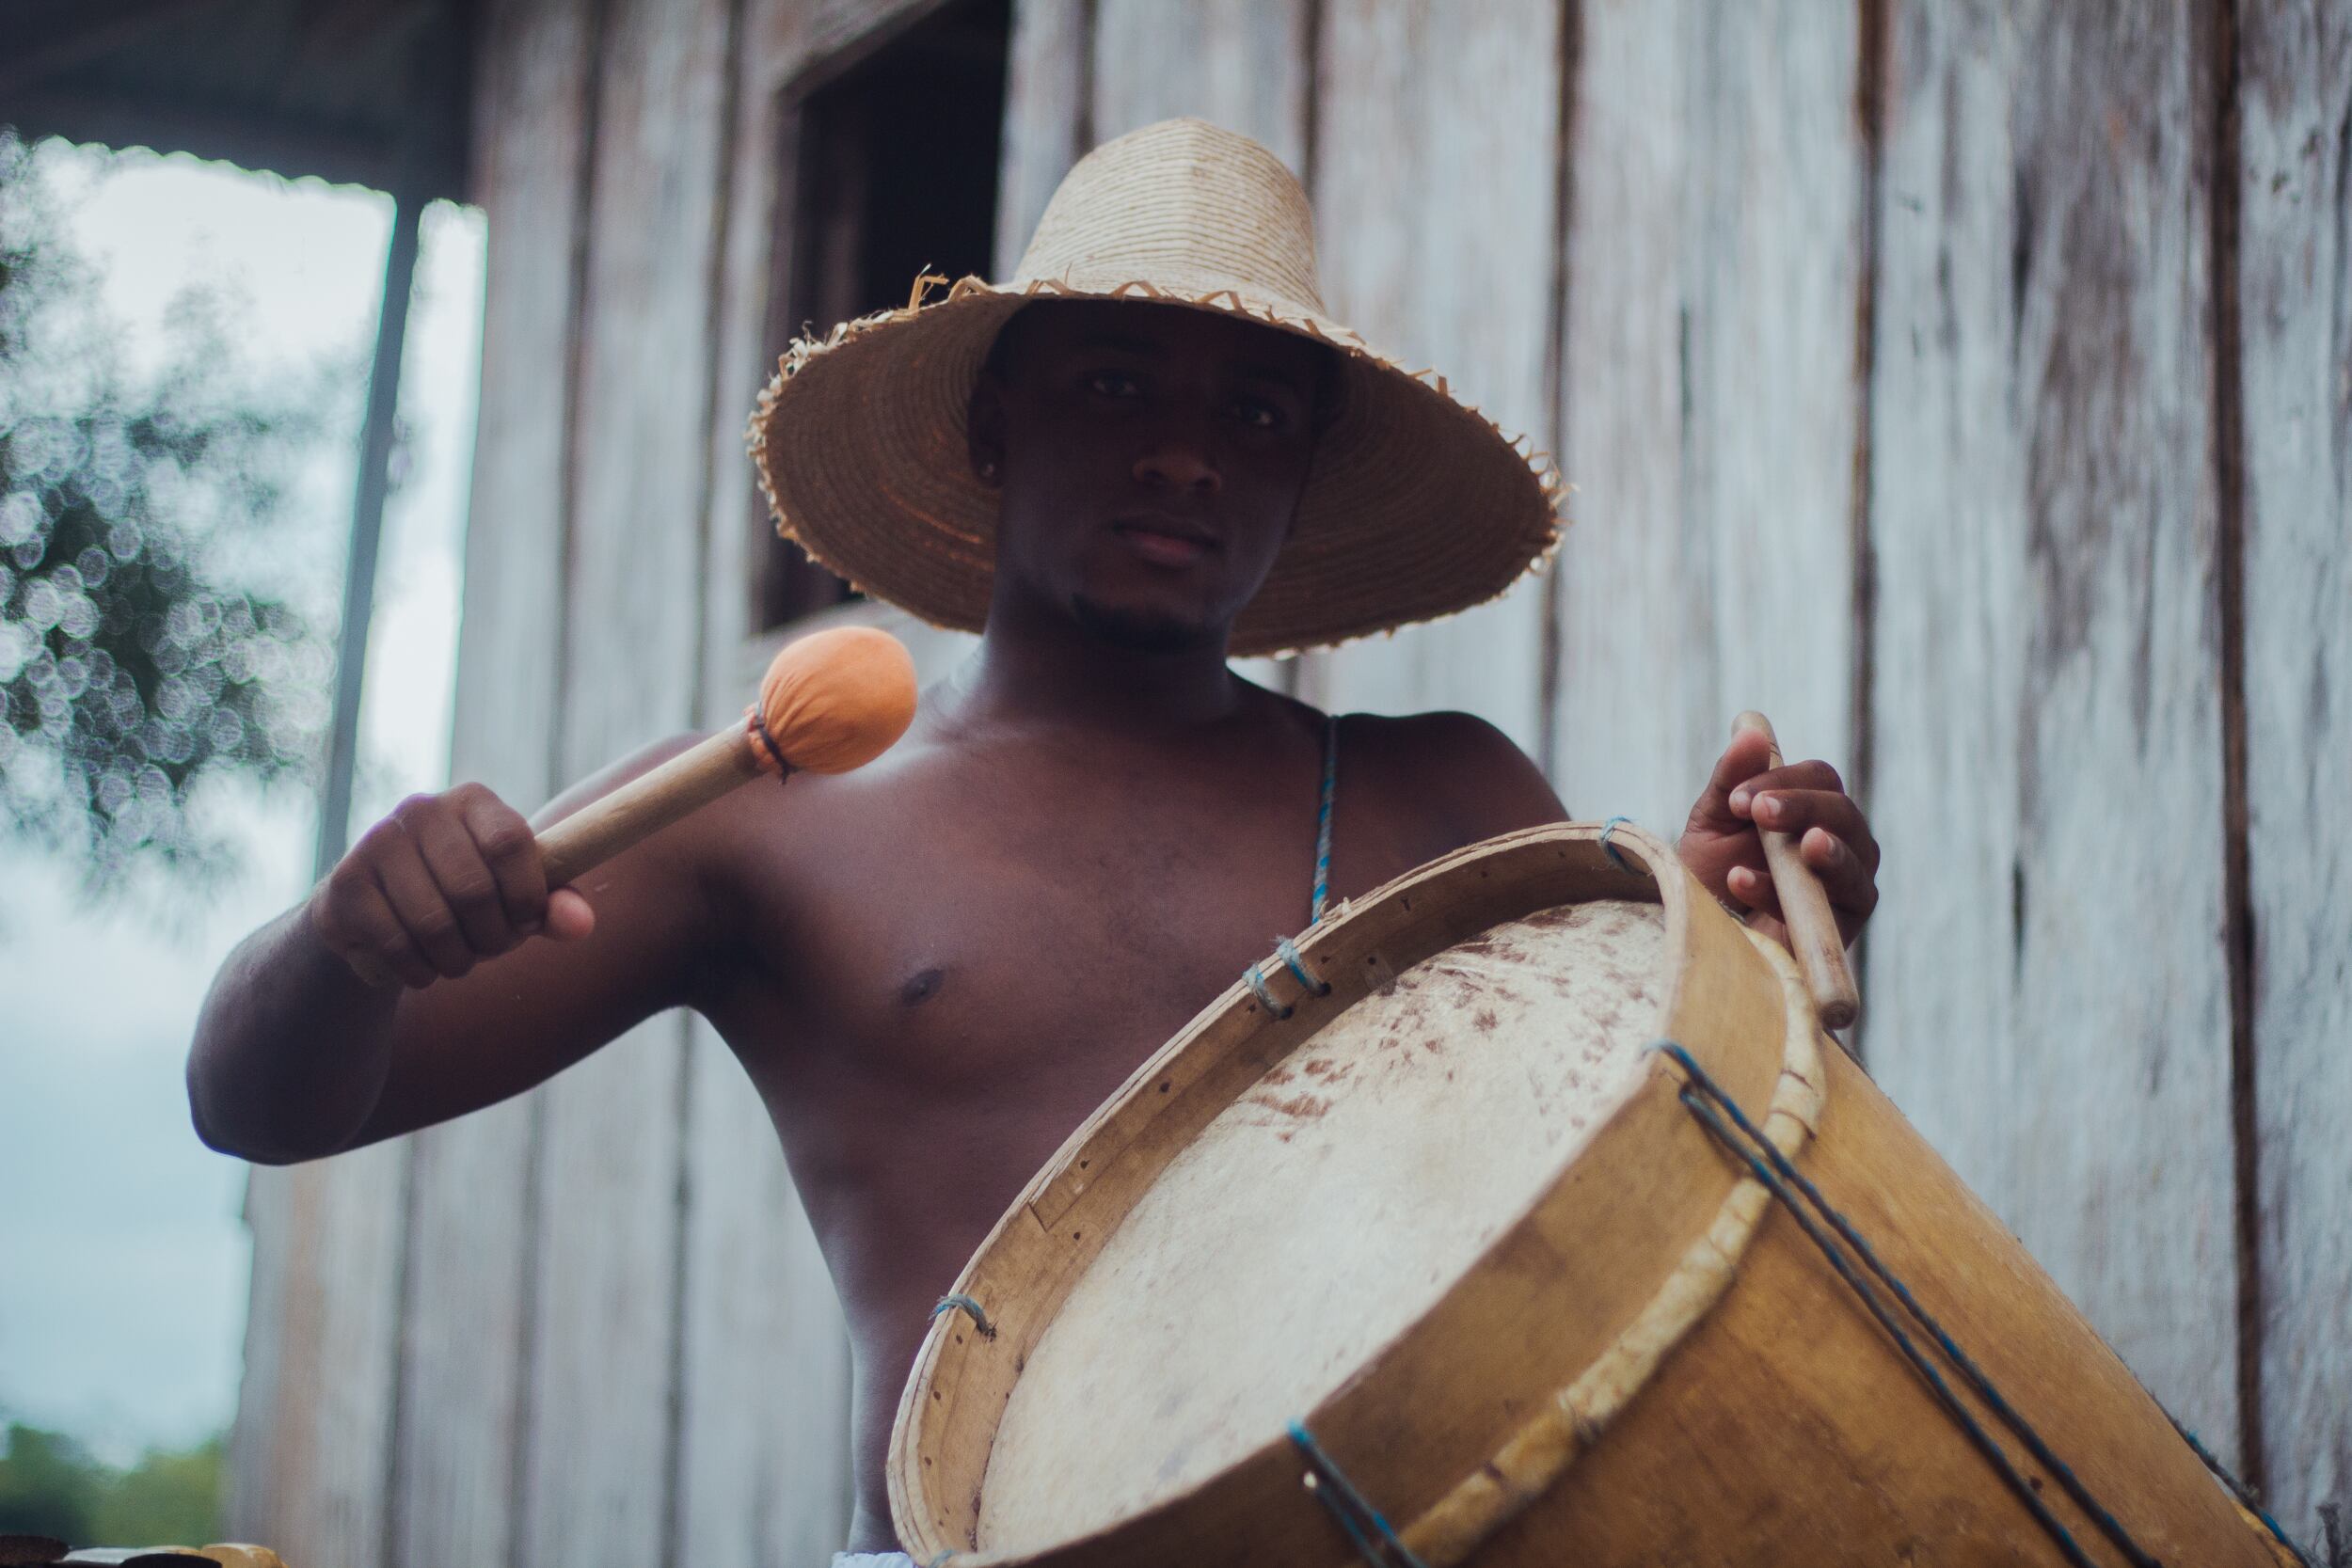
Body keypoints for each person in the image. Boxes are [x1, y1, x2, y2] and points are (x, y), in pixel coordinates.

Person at [187, 119, 1879, 1565]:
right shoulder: (780, 816)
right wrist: (347, 943)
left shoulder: (1448, 803)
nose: (1185, 451)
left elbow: (1707, 1188)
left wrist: (1751, 933)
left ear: (1301, 490)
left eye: (1260, 416)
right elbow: (254, 1102)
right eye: (1117, 379)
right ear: (995, 424)